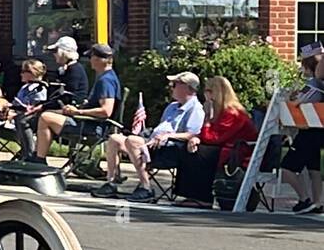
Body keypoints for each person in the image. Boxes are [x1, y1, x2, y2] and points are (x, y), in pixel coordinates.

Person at [92, 71, 206, 202]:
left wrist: (169, 136)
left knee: (133, 141)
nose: (171, 87)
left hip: (170, 150)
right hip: (153, 144)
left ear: (187, 87)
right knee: (114, 139)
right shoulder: (172, 107)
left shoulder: (195, 109)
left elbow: (193, 134)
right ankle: (111, 182)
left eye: (174, 84)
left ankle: (146, 187)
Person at [174, 75, 256, 208]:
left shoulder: (234, 113)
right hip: (223, 148)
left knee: (201, 154)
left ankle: (203, 197)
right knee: (188, 148)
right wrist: (195, 138)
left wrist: (207, 119)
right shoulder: (221, 112)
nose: (205, 94)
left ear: (217, 92)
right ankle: (190, 195)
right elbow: (207, 136)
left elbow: (214, 138)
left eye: (208, 91)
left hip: (238, 152)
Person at [31, 43, 120, 165]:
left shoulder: (106, 81)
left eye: (91, 57)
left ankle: (39, 160)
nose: (90, 61)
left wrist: (78, 112)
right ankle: (37, 156)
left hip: (92, 127)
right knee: (49, 113)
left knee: (45, 118)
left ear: (97, 59)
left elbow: (106, 111)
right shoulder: (108, 77)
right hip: (89, 122)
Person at [279, 44, 324, 213]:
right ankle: (318, 202)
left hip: (308, 133)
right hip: (316, 132)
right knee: (314, 170)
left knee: (287, 168)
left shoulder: (312, 84)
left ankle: (304, 199)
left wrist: (292, 97)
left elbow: (298, 102)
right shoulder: (317, 84)